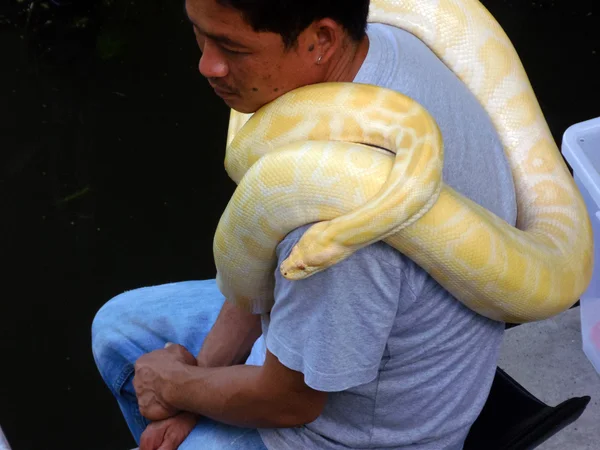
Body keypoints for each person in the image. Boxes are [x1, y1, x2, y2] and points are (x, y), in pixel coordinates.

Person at [91, 0, 518, 449]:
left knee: (156, 390)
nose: (207, 65)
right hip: (345, 342)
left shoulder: (335, 223)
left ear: (321, 40)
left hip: (354, 434)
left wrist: (175, 387)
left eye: (232, 49)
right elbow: (260, 254)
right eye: (199, 33)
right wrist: (194, 393)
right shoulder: (390, 45)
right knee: (115, 327)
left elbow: (289, 403)